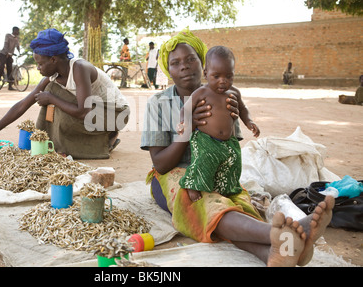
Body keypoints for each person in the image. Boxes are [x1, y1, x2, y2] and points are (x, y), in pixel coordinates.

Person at [140, 28, 334, 266]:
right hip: (174, 177)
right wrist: (188, 128)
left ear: (202, 64)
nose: (184, 66)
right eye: (175, 62)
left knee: (235, 200)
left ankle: (275, 253)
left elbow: (229, 146)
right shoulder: (158, 104)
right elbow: (160, 164)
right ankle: (283, 234)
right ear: (167, 70)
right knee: (206, 203)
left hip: (217, 171)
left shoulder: (225, 95)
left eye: (190, 59)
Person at [0, 28, 130, 159]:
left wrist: (51, 98)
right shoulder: (52, 77)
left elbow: (83, 112)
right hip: (96, 113)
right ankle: (46, 141)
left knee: (51, 93)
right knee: (50, 91)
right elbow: (23, 104)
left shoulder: (79, 68)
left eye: (40, 63)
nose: (38, 68)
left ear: (54, 59)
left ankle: (105, 138)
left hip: (115, 115)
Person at [177, 46, 260, 202]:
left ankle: (224, 187)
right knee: (204, 159)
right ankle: (193, 184)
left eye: (229, 76)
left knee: (233, 160)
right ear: (206, 73)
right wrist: (182, 122)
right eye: (216, 76)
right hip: (204, 139)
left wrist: (249, 122)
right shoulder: (201, 92)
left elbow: (243, 109)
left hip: (229, 141)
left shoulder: (234, 93)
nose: (223, 81)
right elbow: (185, 109)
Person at [0, 26, 21, 90]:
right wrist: (7, 52)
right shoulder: (8, 36)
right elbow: (6, 44)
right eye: (17, 31)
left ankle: (10, 85)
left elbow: (17, 46)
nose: (18, 32)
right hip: (3, 54)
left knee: (10, 69)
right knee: (2, 66)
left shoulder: (16, 38)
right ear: (14, 31)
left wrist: (19, 53)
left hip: (9, 55)